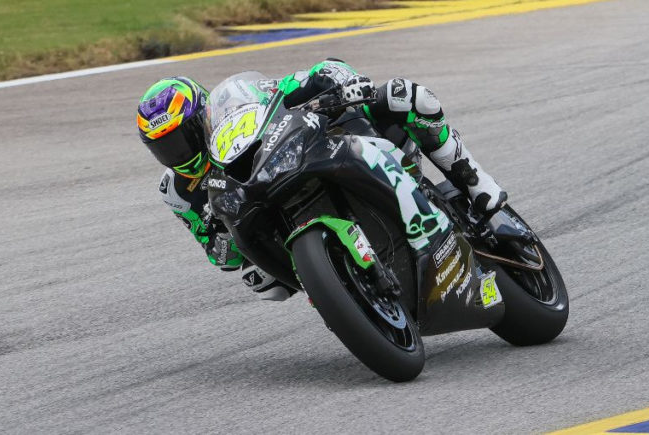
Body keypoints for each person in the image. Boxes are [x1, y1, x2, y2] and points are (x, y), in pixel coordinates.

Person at [136, 60, 509, 299]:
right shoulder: (177, 192)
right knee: (263, 284)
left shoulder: (240, 102)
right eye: (164, 149)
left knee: (406, 97)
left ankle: (476, 182)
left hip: (316, 150)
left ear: (202, 117)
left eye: (181, 138)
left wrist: (343, 84)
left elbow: (312, 75)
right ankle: (342, 284)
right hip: (266, 216)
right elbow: (216, 253)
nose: (178, 154)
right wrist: (220, 241)